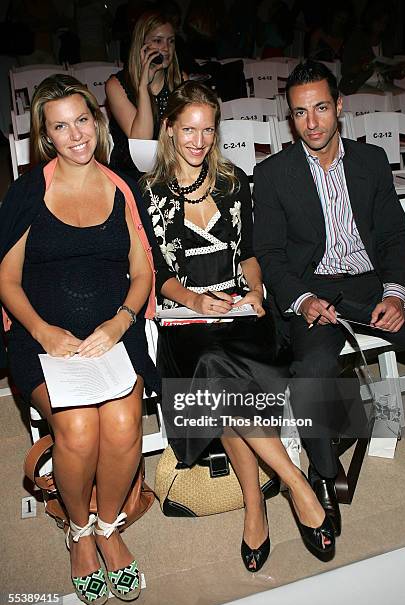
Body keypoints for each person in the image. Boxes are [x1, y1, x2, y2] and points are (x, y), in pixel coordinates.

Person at [141, 80, 335, 572]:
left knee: (220, 374)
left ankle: (256, 505)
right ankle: (293, 483)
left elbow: (249, 255)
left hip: (242, 315)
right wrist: (194, 300)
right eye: (188, 129)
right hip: (188, 319)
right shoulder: (148, 192)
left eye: (208, 129)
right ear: (169, 130)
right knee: (210, 364)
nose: (199, 140)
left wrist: (253, 293)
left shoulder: (233, 180)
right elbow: (159, 276)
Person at [0, 74, 162, 605]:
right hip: (43, 338)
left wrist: (119, 323)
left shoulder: (122, 187)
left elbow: (143, 274)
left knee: (120, 423)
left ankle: (109, 525)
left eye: (82, 120)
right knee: (76, 428)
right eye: (60, 126)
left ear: (96, 120)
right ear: (45, 136)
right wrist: (45, 331)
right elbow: (6, 281)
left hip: (115, 333)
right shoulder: (28, 193)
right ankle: (78, 531)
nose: (76, 135)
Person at [253, 60, 405, 538]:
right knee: (313, 374)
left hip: (371, 282)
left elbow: (392, 237)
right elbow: (272, 255)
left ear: (339, 106)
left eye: (321, 108)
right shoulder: (274, 172)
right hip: (315, 291)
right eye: (300, 113)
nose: (313, 122)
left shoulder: (369, 161)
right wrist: (301, 299)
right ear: (290, 117)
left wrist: (396, 293)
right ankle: (321, 477)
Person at [105, 10, 185, 176]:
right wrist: (143, 87)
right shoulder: (116, 85)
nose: (166, 48)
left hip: (172, 169)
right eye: (157, 41)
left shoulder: (180, 80)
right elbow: (141, 143)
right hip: (132, 173)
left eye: (171, 41)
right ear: (140, 45)